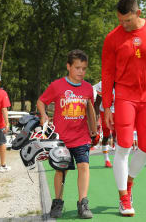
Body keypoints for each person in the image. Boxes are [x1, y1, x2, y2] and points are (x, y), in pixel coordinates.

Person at [101, 0, 146, 216]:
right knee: (123, 146)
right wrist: (107, 106)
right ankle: (124, 198)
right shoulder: (112, 38)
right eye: (121, 21)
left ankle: (129, 183)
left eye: (128, 21)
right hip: (124, 97)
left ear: (138, 13)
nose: (124, 25)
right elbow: (107, 73)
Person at [37, 50, 97, 219]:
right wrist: (43, 115)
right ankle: (57, 202)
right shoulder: (57, 86)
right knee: (61, 171)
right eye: (77, 68)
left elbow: (91, 112)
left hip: (81, 137)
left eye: (84, 68)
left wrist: (94, 130)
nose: (81, 72)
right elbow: (41, 101)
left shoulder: (87, 88)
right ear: (68, 66)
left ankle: (83, 204)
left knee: (84, 166)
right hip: (61, 139)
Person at [93, 81, 115, 167]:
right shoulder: (103, 84)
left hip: (119, 111)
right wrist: (97, 118)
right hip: (104, 111)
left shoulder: (124, 82)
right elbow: (96, 103)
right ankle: (107, 160)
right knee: (106, 135)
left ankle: (119, 159)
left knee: (118, 135)